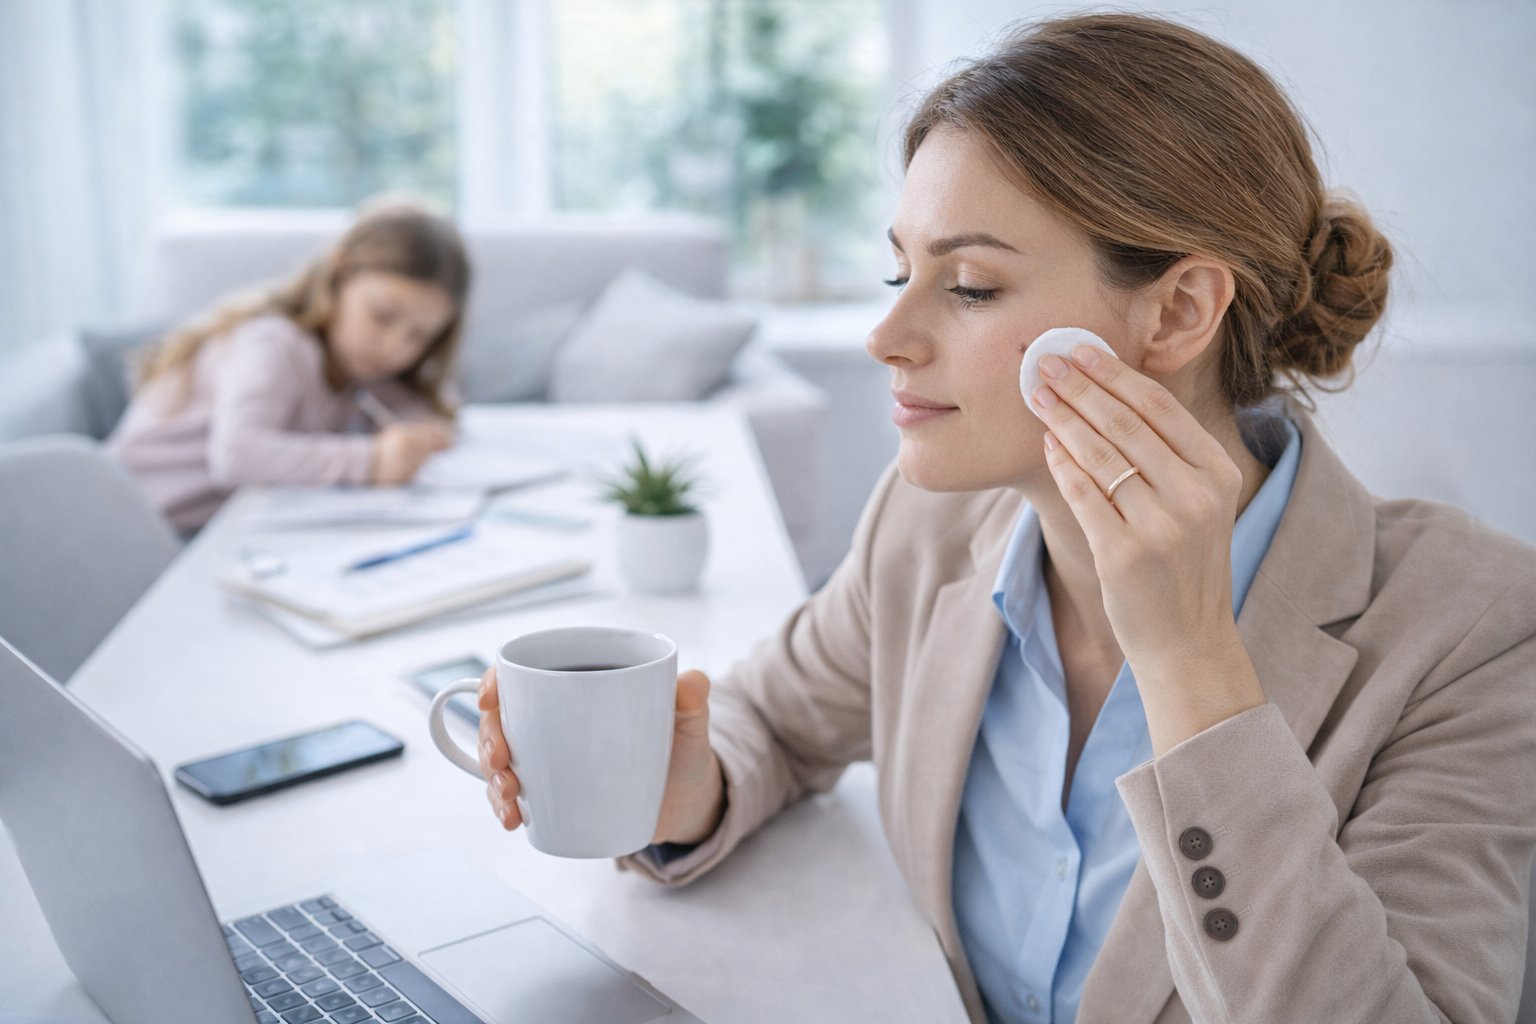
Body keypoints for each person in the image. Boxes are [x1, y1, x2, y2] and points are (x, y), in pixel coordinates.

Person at [478, 14, 1536, 1024]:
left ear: (1175, 313)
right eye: (900, 269)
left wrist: (1191, 668)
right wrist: (690, 789)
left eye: (970, 285)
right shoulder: (929, 525)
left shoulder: (1472, 629)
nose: (886, 334)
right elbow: (779, 719)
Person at [109, 199, 468, 531]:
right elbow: (238, 456)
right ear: (340, 272)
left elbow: (405, 405)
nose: (395, 347)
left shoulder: (354, 364)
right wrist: (372, 461)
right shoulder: (272, 343)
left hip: (209, 530)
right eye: (383, 317)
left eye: (420, 336)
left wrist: (421, 431)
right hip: (133, 526)